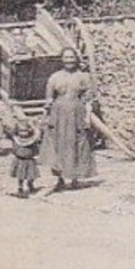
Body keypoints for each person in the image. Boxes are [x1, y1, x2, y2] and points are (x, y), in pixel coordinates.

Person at [41, 46, 97, 191]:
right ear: (62, 60)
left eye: (72, 58)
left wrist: (88, 116)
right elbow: (49, 98)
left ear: (76, 59)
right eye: (66, 58)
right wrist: (46, 116)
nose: (69, 61)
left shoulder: (83, 77)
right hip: (58, 113)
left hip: (77, 111)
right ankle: (59, 179)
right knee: (59, 145)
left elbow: (89, 99)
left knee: (77, 144)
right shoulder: (54, 77)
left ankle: (75, 178)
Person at [7, 115, 42, 198]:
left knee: (28, 175)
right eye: (21, 131)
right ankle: (22, 187)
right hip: (23, 159)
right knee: (22, 175)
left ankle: (28, 185)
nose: (23, 133)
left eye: (25, 131)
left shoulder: (25, 140)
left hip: (25, 160)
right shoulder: (20, 139)